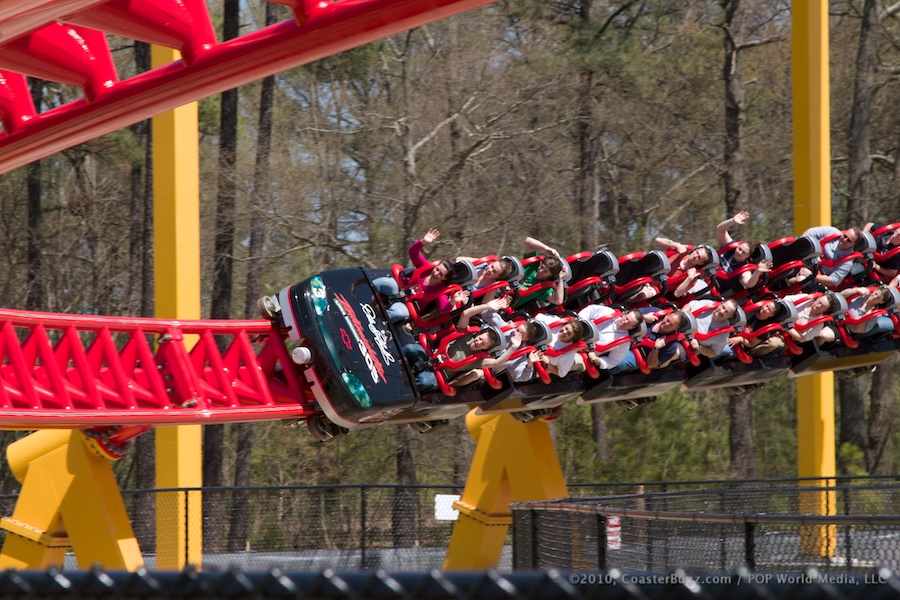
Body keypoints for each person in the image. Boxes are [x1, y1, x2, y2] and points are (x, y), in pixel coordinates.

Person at [373, 228, 469, 324]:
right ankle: (365, 292)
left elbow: (443, 309)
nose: (436, 273)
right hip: (399, 288)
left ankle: (377, 322)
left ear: (445, 278)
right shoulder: (426, 268)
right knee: (385, 282)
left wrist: (453, 301)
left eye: (440, 274)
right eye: (437, 269)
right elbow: (413, 253)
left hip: (408, 304)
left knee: (398, 313)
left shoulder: (441, 290)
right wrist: (423, 242)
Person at [715, 211, 772, 289]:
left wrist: (757, 272)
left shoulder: (744, 268)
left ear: (747, 256)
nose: (739, 252)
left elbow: (748, 283)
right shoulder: (731, 247)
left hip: (715, 287)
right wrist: (732, 221)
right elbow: (720, 230)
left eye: (743, 252)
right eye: (739, 249)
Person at [578, 305, 643, 371]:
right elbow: (590, 310)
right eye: (626, 318)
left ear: (632, 327)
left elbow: (612, 361)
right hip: (576, 332)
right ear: (624, 314)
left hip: (583, 352)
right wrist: (579, 322)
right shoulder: (609, 312)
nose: (625, 322)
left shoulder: (624, 343)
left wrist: (598, 360)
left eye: (629, 323)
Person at [797, 225, 861, 288]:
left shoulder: (847, 261)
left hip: (815, 275)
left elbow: (832, 281)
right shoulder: (832, 232)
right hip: (803, 257)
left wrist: (811, 275)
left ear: (854, 244)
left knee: (799, 280)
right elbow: (808, 233)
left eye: (849, 240)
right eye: (845, 236)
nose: (844, 240)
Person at [514, 236, 569, 308]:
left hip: (510, 303)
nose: (540, 270)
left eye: (545, 271)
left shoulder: (544, 288)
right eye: (541, 267)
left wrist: (561, 278)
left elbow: (558, 301)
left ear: (550, 275)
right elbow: (528, 241)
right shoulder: (533, 265)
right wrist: (547, 248)